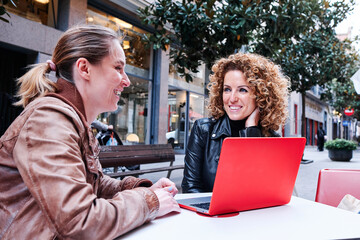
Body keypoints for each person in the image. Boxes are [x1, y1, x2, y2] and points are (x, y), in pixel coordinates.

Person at [0, 25, 180, 239]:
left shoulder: (68, 118)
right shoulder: (48, 120)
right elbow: (80, 221)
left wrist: (142, 189)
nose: (127, 80)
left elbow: (94, 184)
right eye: (118, 68)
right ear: (84, 69)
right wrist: (150, 201)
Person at [182, 52, 290, 193]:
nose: (232, 98)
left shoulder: (272, 139)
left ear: (261, 96)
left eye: (242, 90)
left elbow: (264, 191)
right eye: (227, 89)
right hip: (210, 213)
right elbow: (190, 188)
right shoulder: (203, 130)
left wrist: (251, 130)